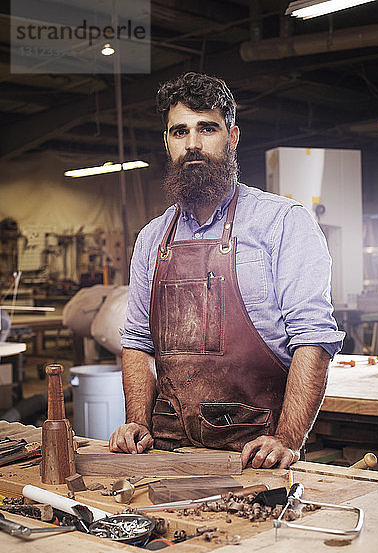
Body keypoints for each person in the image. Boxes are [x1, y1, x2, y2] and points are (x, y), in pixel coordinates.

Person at [109, 72, 344, 468]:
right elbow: (136, 342)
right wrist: (136, 422)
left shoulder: (282, 222)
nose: (194, 144)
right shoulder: (152, 238)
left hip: (257, 452)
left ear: (232, 137)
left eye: (207, 129)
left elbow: (313, 338)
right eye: (180, 132)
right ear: (168, 142)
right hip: (167, 453)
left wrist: (287, 438)